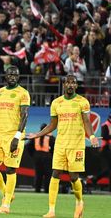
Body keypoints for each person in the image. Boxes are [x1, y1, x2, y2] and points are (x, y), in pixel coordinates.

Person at [27, 75, 101, 218]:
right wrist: (37, 134)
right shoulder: (56, 103)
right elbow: (52, 125)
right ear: (64, 84)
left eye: (73, 82)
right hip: (61, 144)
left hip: (76, 145)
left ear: (76, 86)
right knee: (55, 174)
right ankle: (51, 210)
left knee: (74, 177)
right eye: (68, 82)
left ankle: (79, 202)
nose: (70, 85)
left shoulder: (82, 102)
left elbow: (86, 121)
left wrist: (92, 136)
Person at [0, 65, 30, 214]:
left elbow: (25, 116)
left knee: (10, 169)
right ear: (5, 76)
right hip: (0, 135)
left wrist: (17, 137)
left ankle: (6, 204)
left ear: (18, 77)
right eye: (10, 74)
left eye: (15, 75)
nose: (12, 77)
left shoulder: (23, 93)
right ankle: (6, 192)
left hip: (14, 135)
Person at [26, 123, 54, 193]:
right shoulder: (51, 137)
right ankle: (47, 190)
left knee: (38, 174)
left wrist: (33, 155)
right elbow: (54, 148)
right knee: (48, 174)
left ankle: (37, 189)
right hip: (47, 157)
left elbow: (28, 146)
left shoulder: (36, 136)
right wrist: (51, 155)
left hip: (37, 157)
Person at [89, 113, 111, 191]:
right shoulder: (105, 125)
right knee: (109, 168)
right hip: (106, 148)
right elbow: (104, 136)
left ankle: (95, 178)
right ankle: (95, 178)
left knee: (109, 169)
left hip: (108, 148)